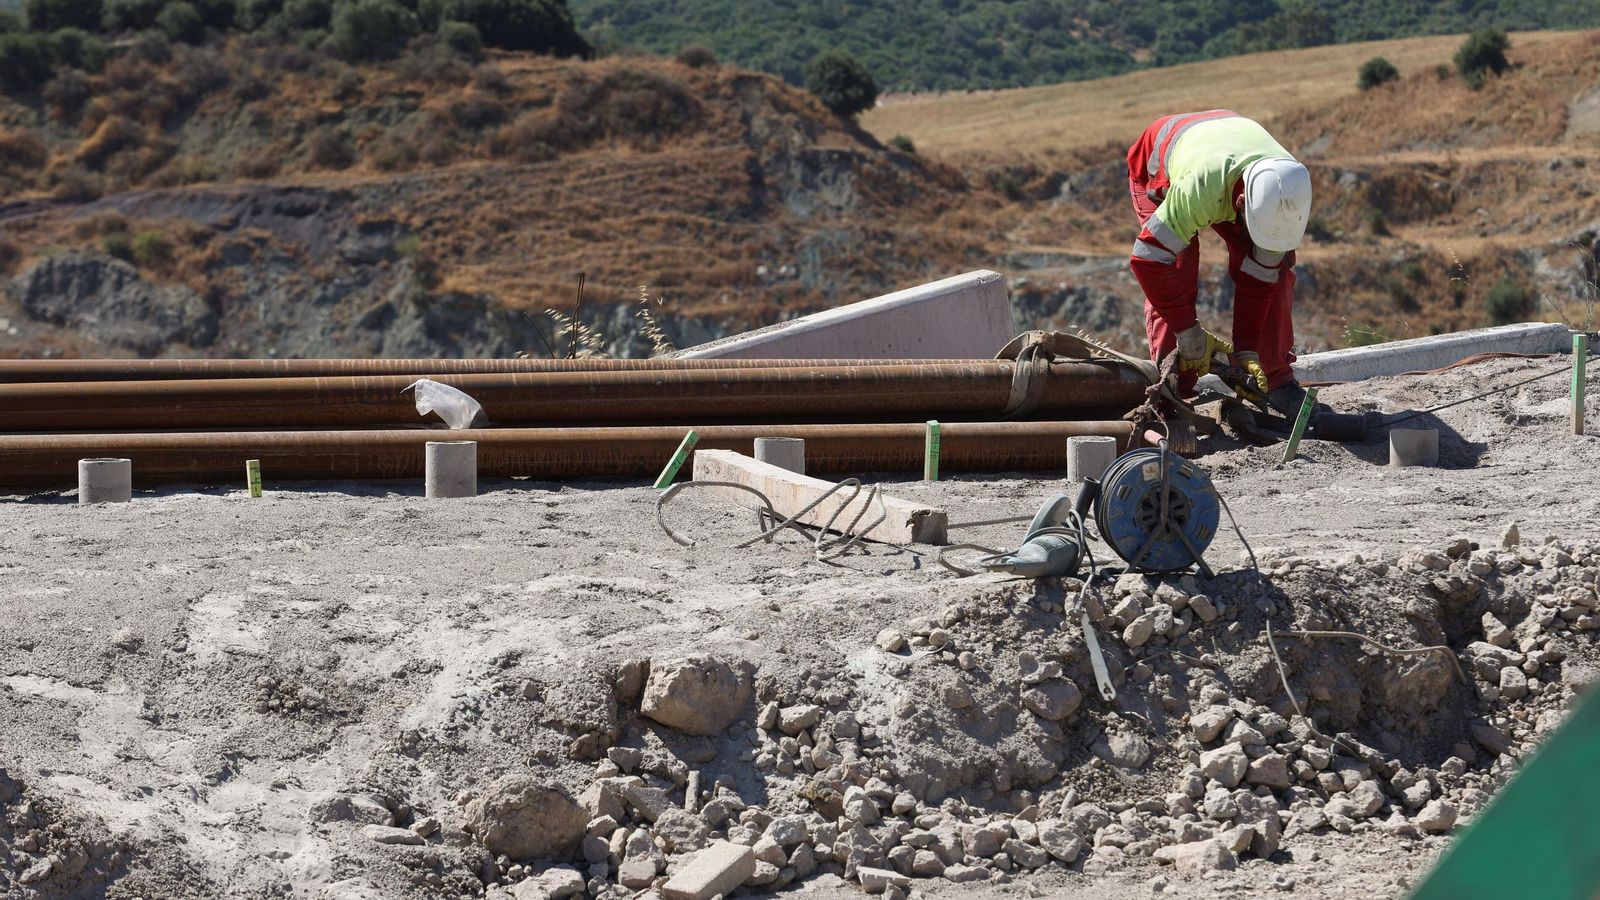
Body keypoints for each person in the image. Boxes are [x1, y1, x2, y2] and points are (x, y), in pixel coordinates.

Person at [1125, 109, 1318, 420]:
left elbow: (1262, 277)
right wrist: (1188, 332)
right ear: (1240, 204)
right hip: (1159, 162)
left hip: (1230, 148)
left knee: (1278, 269)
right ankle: (1174, 386)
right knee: (1177, 265)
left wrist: (1246, 350)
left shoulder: (1287, 187)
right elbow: (1148, 259)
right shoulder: (1199, 190)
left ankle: (1275, 379)